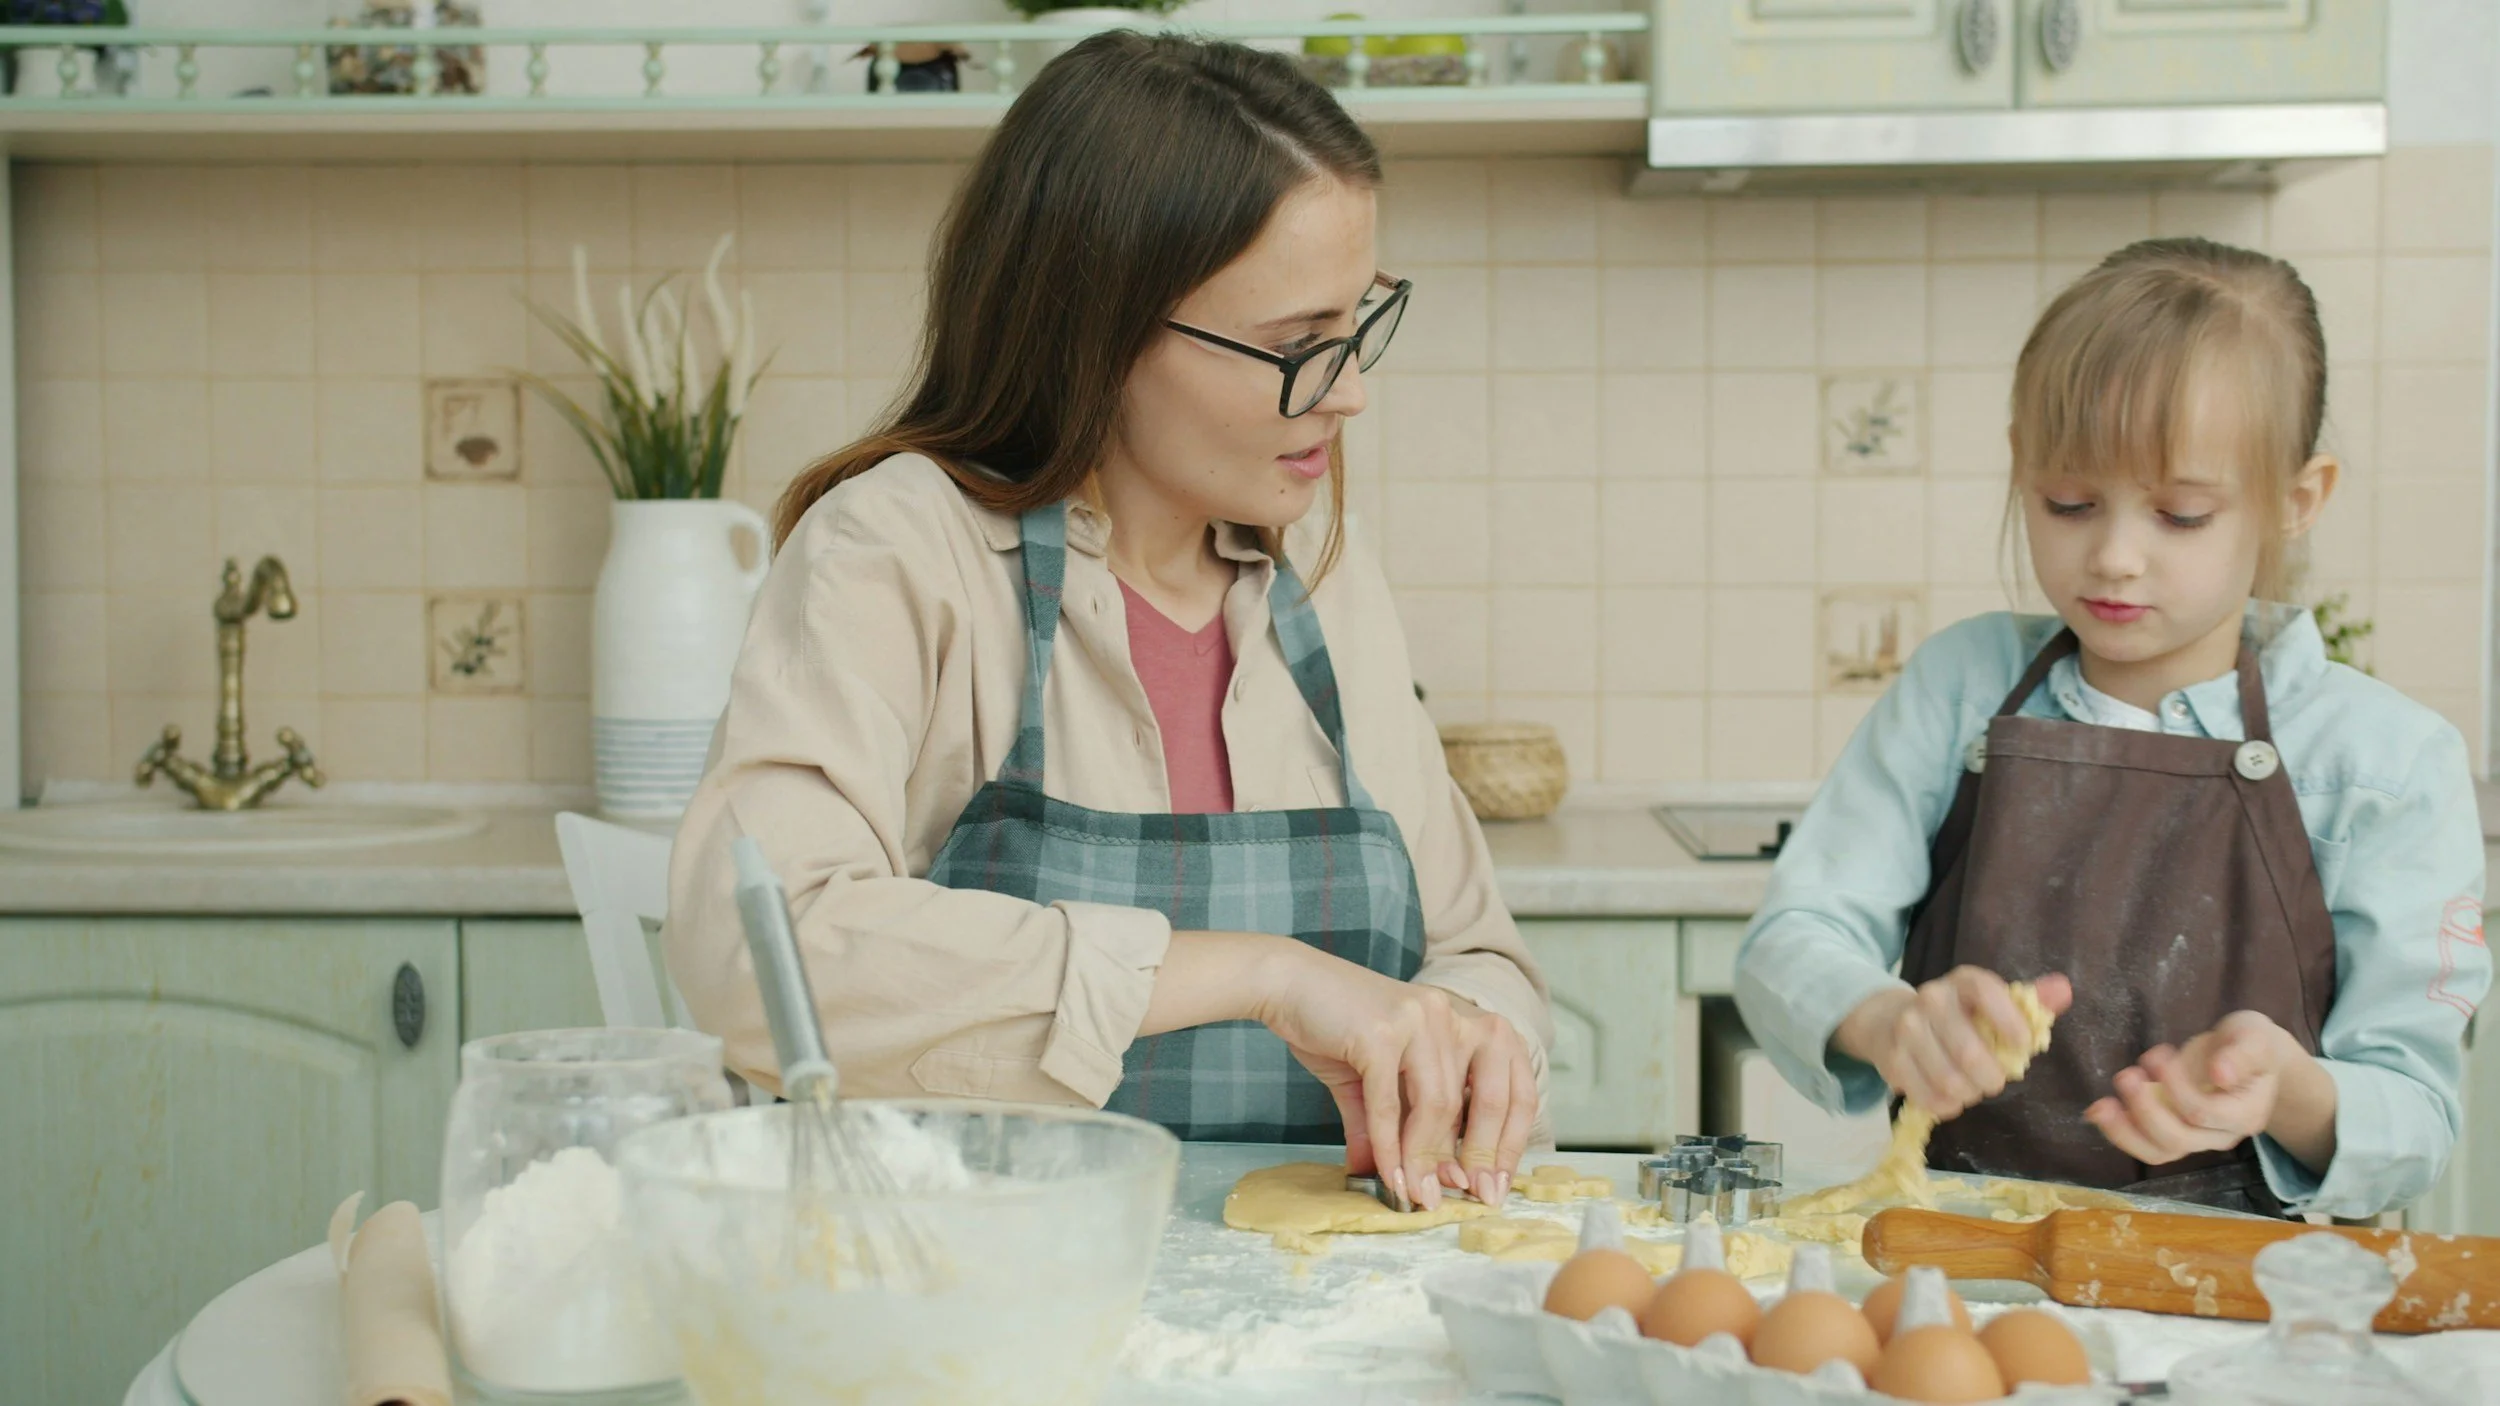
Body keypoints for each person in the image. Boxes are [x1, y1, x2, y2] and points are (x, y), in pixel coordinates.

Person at [667, 31, 1551, 1212]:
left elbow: (1476, 946)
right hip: (975, 1273)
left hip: (1325, 1284)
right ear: (1101, 331)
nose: (1349, 390)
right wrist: (1262, 974)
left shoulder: (1325, 574)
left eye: (1358, 324)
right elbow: (754, 956)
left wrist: (1473, 1034)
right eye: (1297, 347)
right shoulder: (898, 548)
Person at [1736, 237, 2490, 1217]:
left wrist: (2287, 1090)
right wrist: (1886, 1018)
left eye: (2180, 514)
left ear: (2294, 501)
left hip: (2246, 1282)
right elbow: (1793, 937)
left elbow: (2417, 1115)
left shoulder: (2385, 763)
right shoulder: (1962, 687)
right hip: (1963, 1253)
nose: (2115, 556)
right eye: (2070, 503)